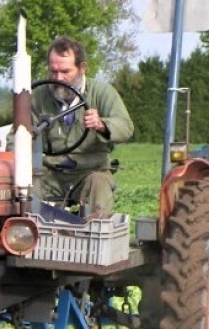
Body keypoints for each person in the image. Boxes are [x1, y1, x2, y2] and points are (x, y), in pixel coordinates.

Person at [31, 35, 134, 217]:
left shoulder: (102, 93)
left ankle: (93, 236)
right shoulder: (38, 96)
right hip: (49, 172)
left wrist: (103, 124)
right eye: (53, 71)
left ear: (82, 68)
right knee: (21, 186)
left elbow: (126, 127)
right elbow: (18, 135)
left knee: (99, 183)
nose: (58, 78)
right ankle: (23, 238)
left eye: (65, 71)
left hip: (89, 171)